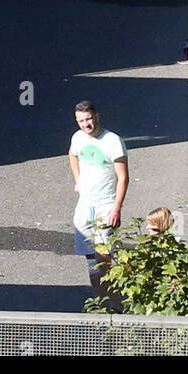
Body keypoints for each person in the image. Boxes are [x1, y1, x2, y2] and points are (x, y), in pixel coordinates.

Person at [68, 100, 128, 311]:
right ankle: (100, 304)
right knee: (90, 257)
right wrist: (78, 180)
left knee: (105, 257)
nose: (86, 124)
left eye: (89, 119)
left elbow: (123, 177)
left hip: (105, 206)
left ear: (97, 117)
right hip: (85, 205)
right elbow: (72, 154)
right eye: (81, 121)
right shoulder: (78, 138)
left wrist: (117, 208)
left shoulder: (112, 141)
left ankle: (117, 305)